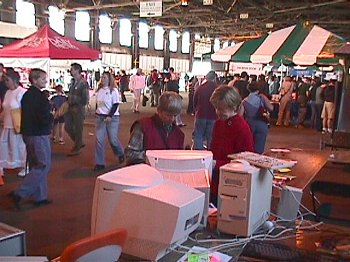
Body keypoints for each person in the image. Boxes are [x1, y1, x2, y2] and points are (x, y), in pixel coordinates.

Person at [9, 68, 53, 209]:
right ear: (34, 80)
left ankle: (40, 196)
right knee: (43, 165)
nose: (45, 81)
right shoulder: (39, 97)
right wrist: (52, 115)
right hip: (38, 134)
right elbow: (42, 117)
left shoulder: (27, 95)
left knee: (36, 164)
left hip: (28, 134)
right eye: (42, 79)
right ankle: (20, 193)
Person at [209, 85, 254, 206]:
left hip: (231, 185)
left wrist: (216, 163)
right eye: (216, 108)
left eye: (221, 108)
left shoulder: (242, 128)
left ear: (233, 107)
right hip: (216, 180)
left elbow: (246, 162)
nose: (218, 112)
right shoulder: (219, 123)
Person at [125, 91, 184, 165]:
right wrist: (155, 157)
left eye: (175, 116)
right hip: (144, 171)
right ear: (159, 110)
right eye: (168, 115)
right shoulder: (143, 126)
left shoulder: (178, 134)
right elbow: (130, 153)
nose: (172, 119)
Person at [94, 72, 125, 171]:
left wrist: (110, 115)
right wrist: (97, 112)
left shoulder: (113, 90)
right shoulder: (99, 90)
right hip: (100, 117)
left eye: (104, 77)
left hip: (112, 117)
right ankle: (100, 163)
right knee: (99, 140)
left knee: (113, 140)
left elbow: (115, 104)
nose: (102, 79)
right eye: (102, 77)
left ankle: (120, 153)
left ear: (109, 79)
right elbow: (98, 103)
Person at [0, 69, 27, 179]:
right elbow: (5, 108)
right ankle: (2, 165)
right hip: (6, 124)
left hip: (17, 125)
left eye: (7, 80)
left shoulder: (22, 92)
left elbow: (24, 109)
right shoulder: (7, 92)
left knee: (20, 146)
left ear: (14, 80)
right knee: (4, 145)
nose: (5, 82)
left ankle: (24, 166)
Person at [241, 81, 273, 154]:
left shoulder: (244, 100)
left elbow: (240, 114)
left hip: (249, 124)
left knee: (248, 146)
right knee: (259, 148)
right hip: (261, 123)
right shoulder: (262, 97)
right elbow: (271, 108)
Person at [65, 63, 89, 156]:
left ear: (77, 70)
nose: (70, 71)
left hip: (78, 108)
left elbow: (85, 99)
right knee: (68, 126)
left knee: (78, 128)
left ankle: (77, 146)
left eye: (72, 69)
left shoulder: (83, 83)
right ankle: (79, 142)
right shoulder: (72, 81)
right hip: (71, 107)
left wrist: (76, 102)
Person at [193, 71, 217, 150]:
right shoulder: (217, 89)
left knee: (198, 135)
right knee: (211, 137)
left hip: (200, 114)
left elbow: (194, 100)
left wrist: (196, 110)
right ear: (214, 78)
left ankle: (198, 153)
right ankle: (210, 154)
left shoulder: (200, 87)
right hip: (213, 116)